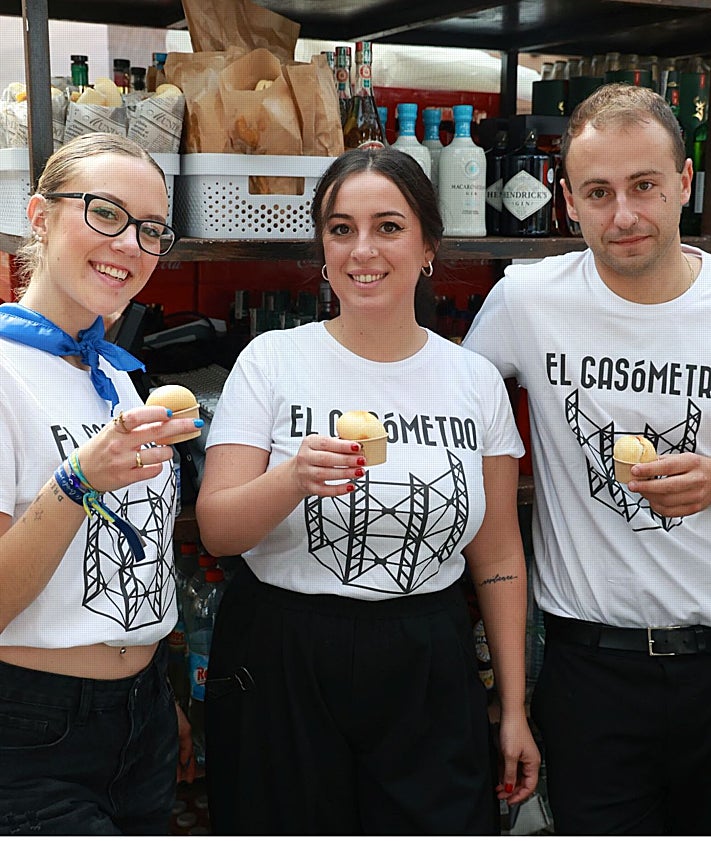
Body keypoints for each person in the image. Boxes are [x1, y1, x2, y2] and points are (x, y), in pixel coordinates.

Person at [196, 146, 540, 835]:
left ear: (427, 247)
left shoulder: (471, 380)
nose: (363, 250)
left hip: (426, 657)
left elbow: (497, 555)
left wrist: (513, 705)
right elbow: (218, 530)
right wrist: (291, 478)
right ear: (321, 250)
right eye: (340, 228)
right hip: (281, 655)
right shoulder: (273, 360)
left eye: (387, 226)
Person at [464, 82, 711, 835]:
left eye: (644, 186)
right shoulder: (526, 299)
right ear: (567, 200)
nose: (624, 215)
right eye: (598, 192)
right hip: (586, 669)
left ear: (684, 183)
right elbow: (439, 404)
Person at [0, 132, 201, 834]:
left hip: (140, 717)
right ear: (40, 215)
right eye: (105, 212)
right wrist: (79, 477)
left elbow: (130, 559)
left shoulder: (115, 375)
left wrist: (157, 693)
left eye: (150, 229)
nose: (129, 244)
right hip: (29, 724)